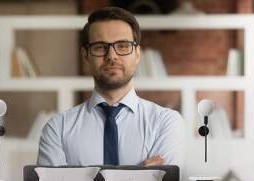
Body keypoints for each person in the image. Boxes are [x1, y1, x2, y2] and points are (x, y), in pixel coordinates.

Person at [37, 6, 185, 167]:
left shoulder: (165, 122)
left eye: (122, 46)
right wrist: (139, 175)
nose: (112, 56)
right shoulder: (58, 128)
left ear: (137, 54)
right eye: (100, 47)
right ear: (86, 56)